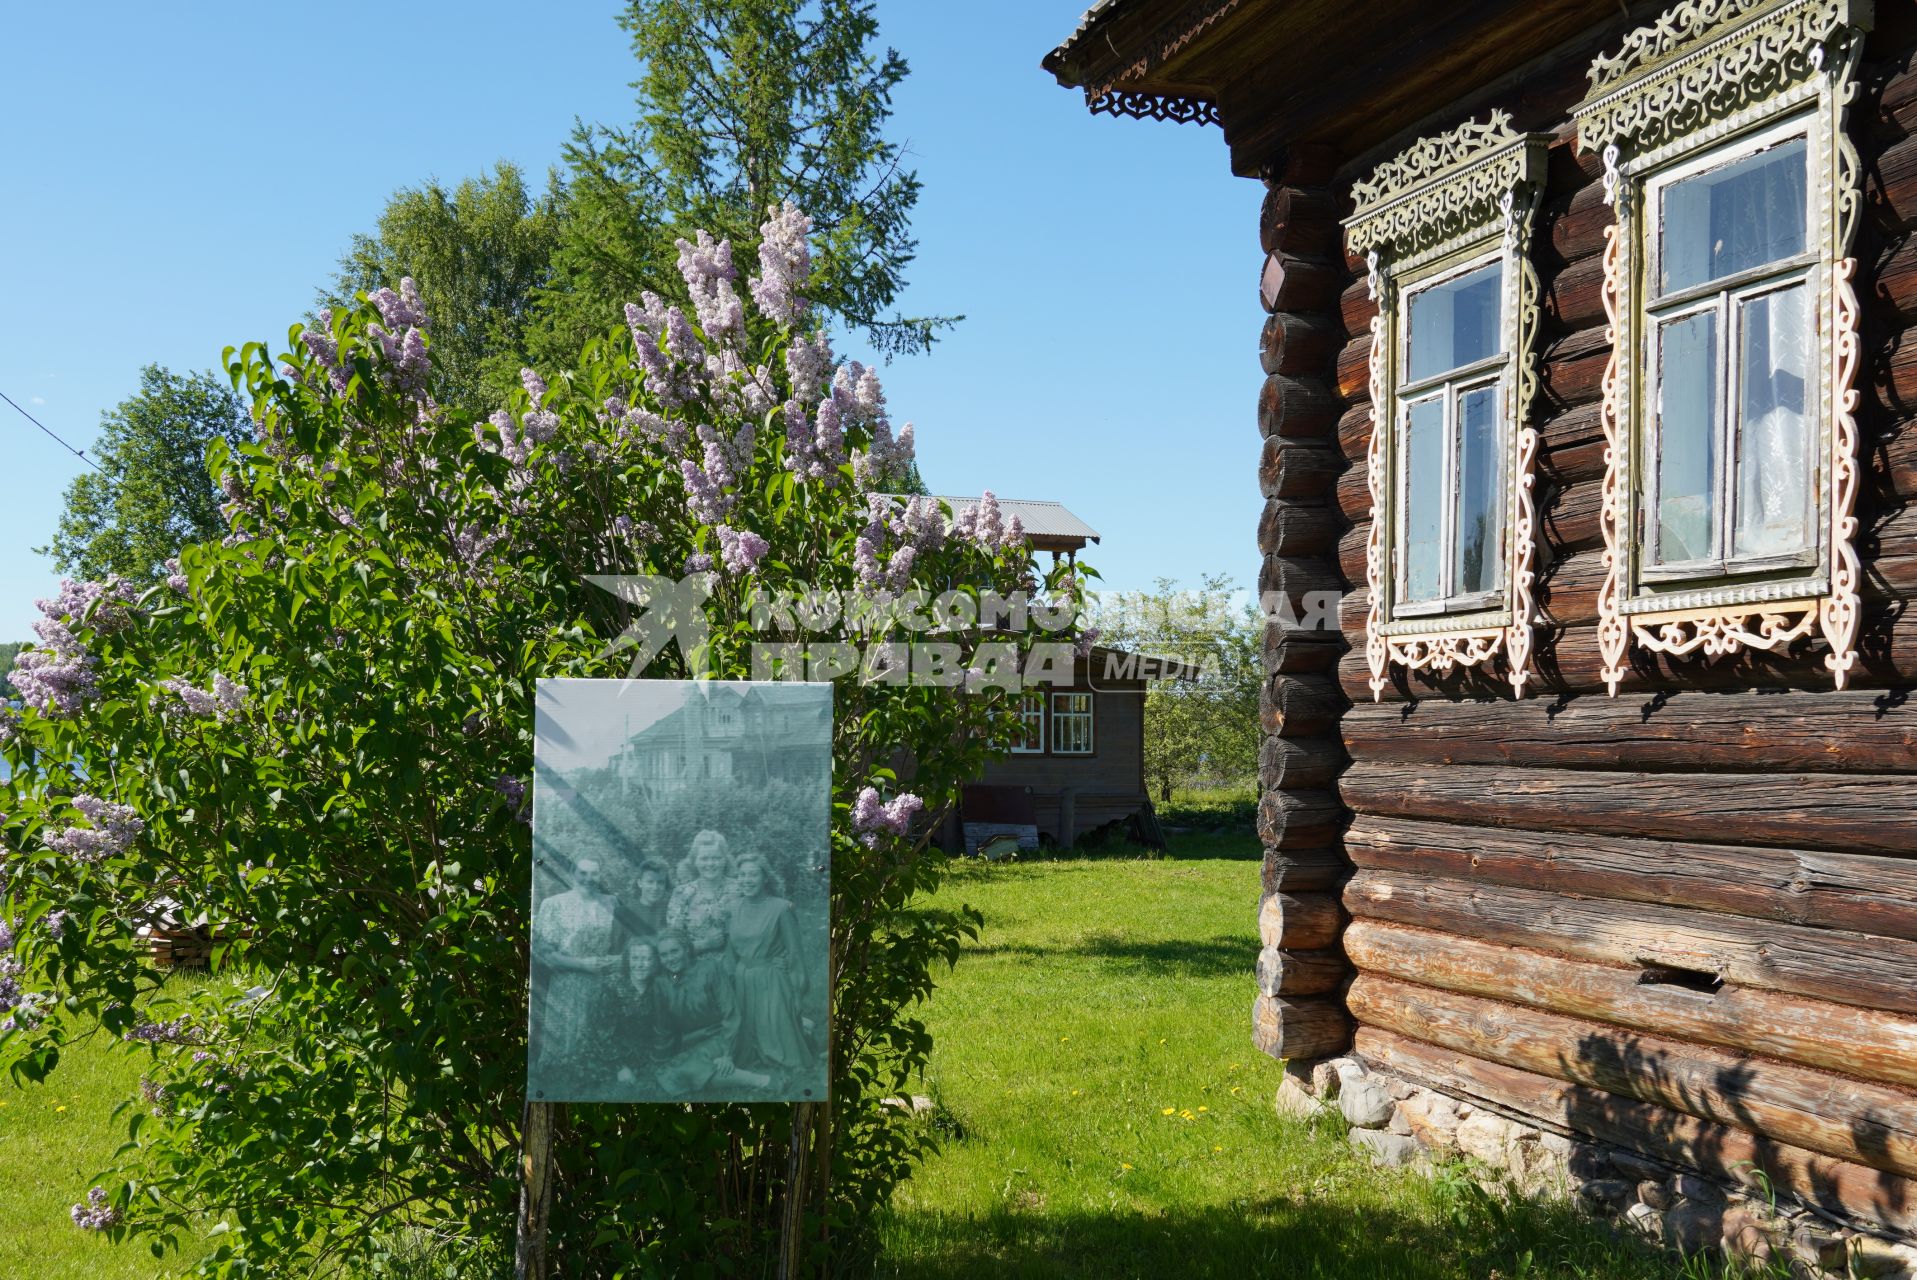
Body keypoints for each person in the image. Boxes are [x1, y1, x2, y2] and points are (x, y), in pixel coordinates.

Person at [530, 858, 626, 1086]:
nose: (588, 879)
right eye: (583, 873)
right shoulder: (554, 904)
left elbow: (622, 944)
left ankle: (597, 1075)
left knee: (599, 1032)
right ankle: (564, 1078)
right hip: (567, 981)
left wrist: (613, 960)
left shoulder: (612, 903)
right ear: (572, 873)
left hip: (602, 981)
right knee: (565, 1046)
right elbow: (545, 955)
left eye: (594, 874)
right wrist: (583, 965)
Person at [725, 854, 815, 1083]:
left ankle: (798, 1034)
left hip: (772, 980)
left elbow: (795, 953)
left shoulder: (781, 909)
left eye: (753, 874)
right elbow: (730, 951)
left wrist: (797, 991)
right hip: (742, 979)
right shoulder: (733, 908)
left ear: (765, 877)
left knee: (784, 1048)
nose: (747, 879)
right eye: (742, 875)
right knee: (742, 1048)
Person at [654, 928, 771, 1095]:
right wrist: (661, 1060)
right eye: (664, 955)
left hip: (726, 1037)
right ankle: (738, 1075)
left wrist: (727, 1054)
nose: (670, 959)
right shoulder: (661, 983)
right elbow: (663, 1027)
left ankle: (757, 1080)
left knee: (681, 1071)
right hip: (694, 1045)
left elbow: (731, 1013)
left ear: (687, 949)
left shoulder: (710, 968)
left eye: (674, 951)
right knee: (669, 1071)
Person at [610, 938, 671, 1092]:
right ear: (627, 960)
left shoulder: (659, 985)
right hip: (612, 1051)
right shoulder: (611, 987)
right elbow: (599, 1034)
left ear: (655, 961)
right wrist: (619, 1067)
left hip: (644, 1050)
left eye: (646, 959)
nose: (640, 965)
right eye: (635, 958)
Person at [667, 830, 737, 957]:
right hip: (694, 971)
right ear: (694, 861)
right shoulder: (682, 894)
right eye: (704, 858)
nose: (710, 863)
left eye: (716, 858)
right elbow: (672, 944)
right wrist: (705, 944)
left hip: (736, 970)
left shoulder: (739, 890)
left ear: (725, 860)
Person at [629, 857, 673, 938]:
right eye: (650, 882)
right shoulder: (627, 913)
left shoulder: (671, 910)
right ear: (640, 883)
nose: (655, 887)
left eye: (660, 882)